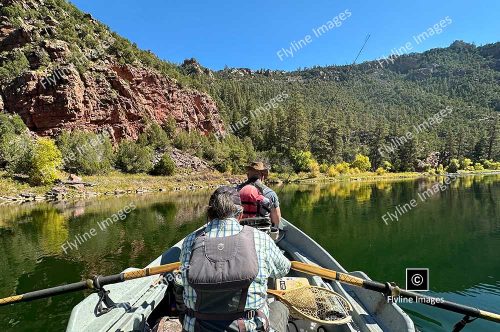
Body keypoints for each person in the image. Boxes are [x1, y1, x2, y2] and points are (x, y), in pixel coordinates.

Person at [179, 186, 291, 332]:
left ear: (210, 214)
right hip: (248, 328)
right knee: (280, 308)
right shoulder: (260, 238)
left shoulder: (190, 242)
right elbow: (283, 270)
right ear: (241, 214)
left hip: (198, 327)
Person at [237, 162, 281, 227]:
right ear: (263, 176)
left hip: (240, 232)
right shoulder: (271, 194)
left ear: (248, 175)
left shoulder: (235, 191)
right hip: (263, 233)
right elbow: (276, 221)